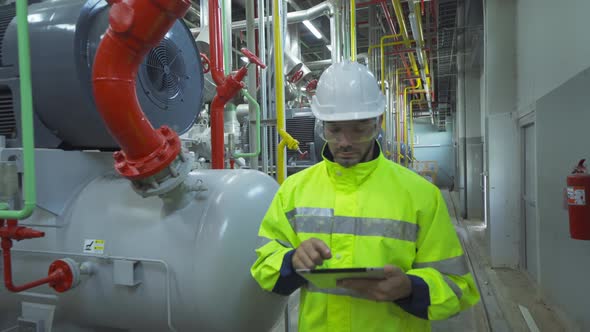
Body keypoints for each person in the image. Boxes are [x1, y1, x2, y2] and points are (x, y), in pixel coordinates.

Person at [251, 61, 480, 331]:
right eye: (334, 130)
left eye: (359, 129)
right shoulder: (294, 189)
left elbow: (458, 287)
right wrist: (292, 261)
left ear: (378, 123)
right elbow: (264, 266)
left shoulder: (421, 195)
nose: (345, 142)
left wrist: (410, 288)